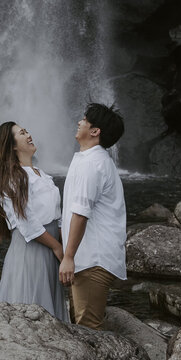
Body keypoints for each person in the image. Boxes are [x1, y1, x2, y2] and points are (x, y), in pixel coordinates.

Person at [0, 121, 69, 322]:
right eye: (22, 133)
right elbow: (27, 224)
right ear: (12, 146)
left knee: (50, 315)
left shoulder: (42, 174)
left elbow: (57, 214)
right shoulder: (11, 179)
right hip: (32, 250)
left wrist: (64, 246)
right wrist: (57, 247)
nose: (28, 134)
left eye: (26, 131)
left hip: (50, 247)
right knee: (31, 311)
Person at [58, 103, 127, 329]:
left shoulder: (92, 164)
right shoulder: (91, 160)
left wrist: (68, 257)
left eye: (84, 120)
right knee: (84, 326)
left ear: (95, 131)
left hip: (92, 260)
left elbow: (81, 214)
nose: (79, 122)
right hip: (89, 258)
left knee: (88, 328)